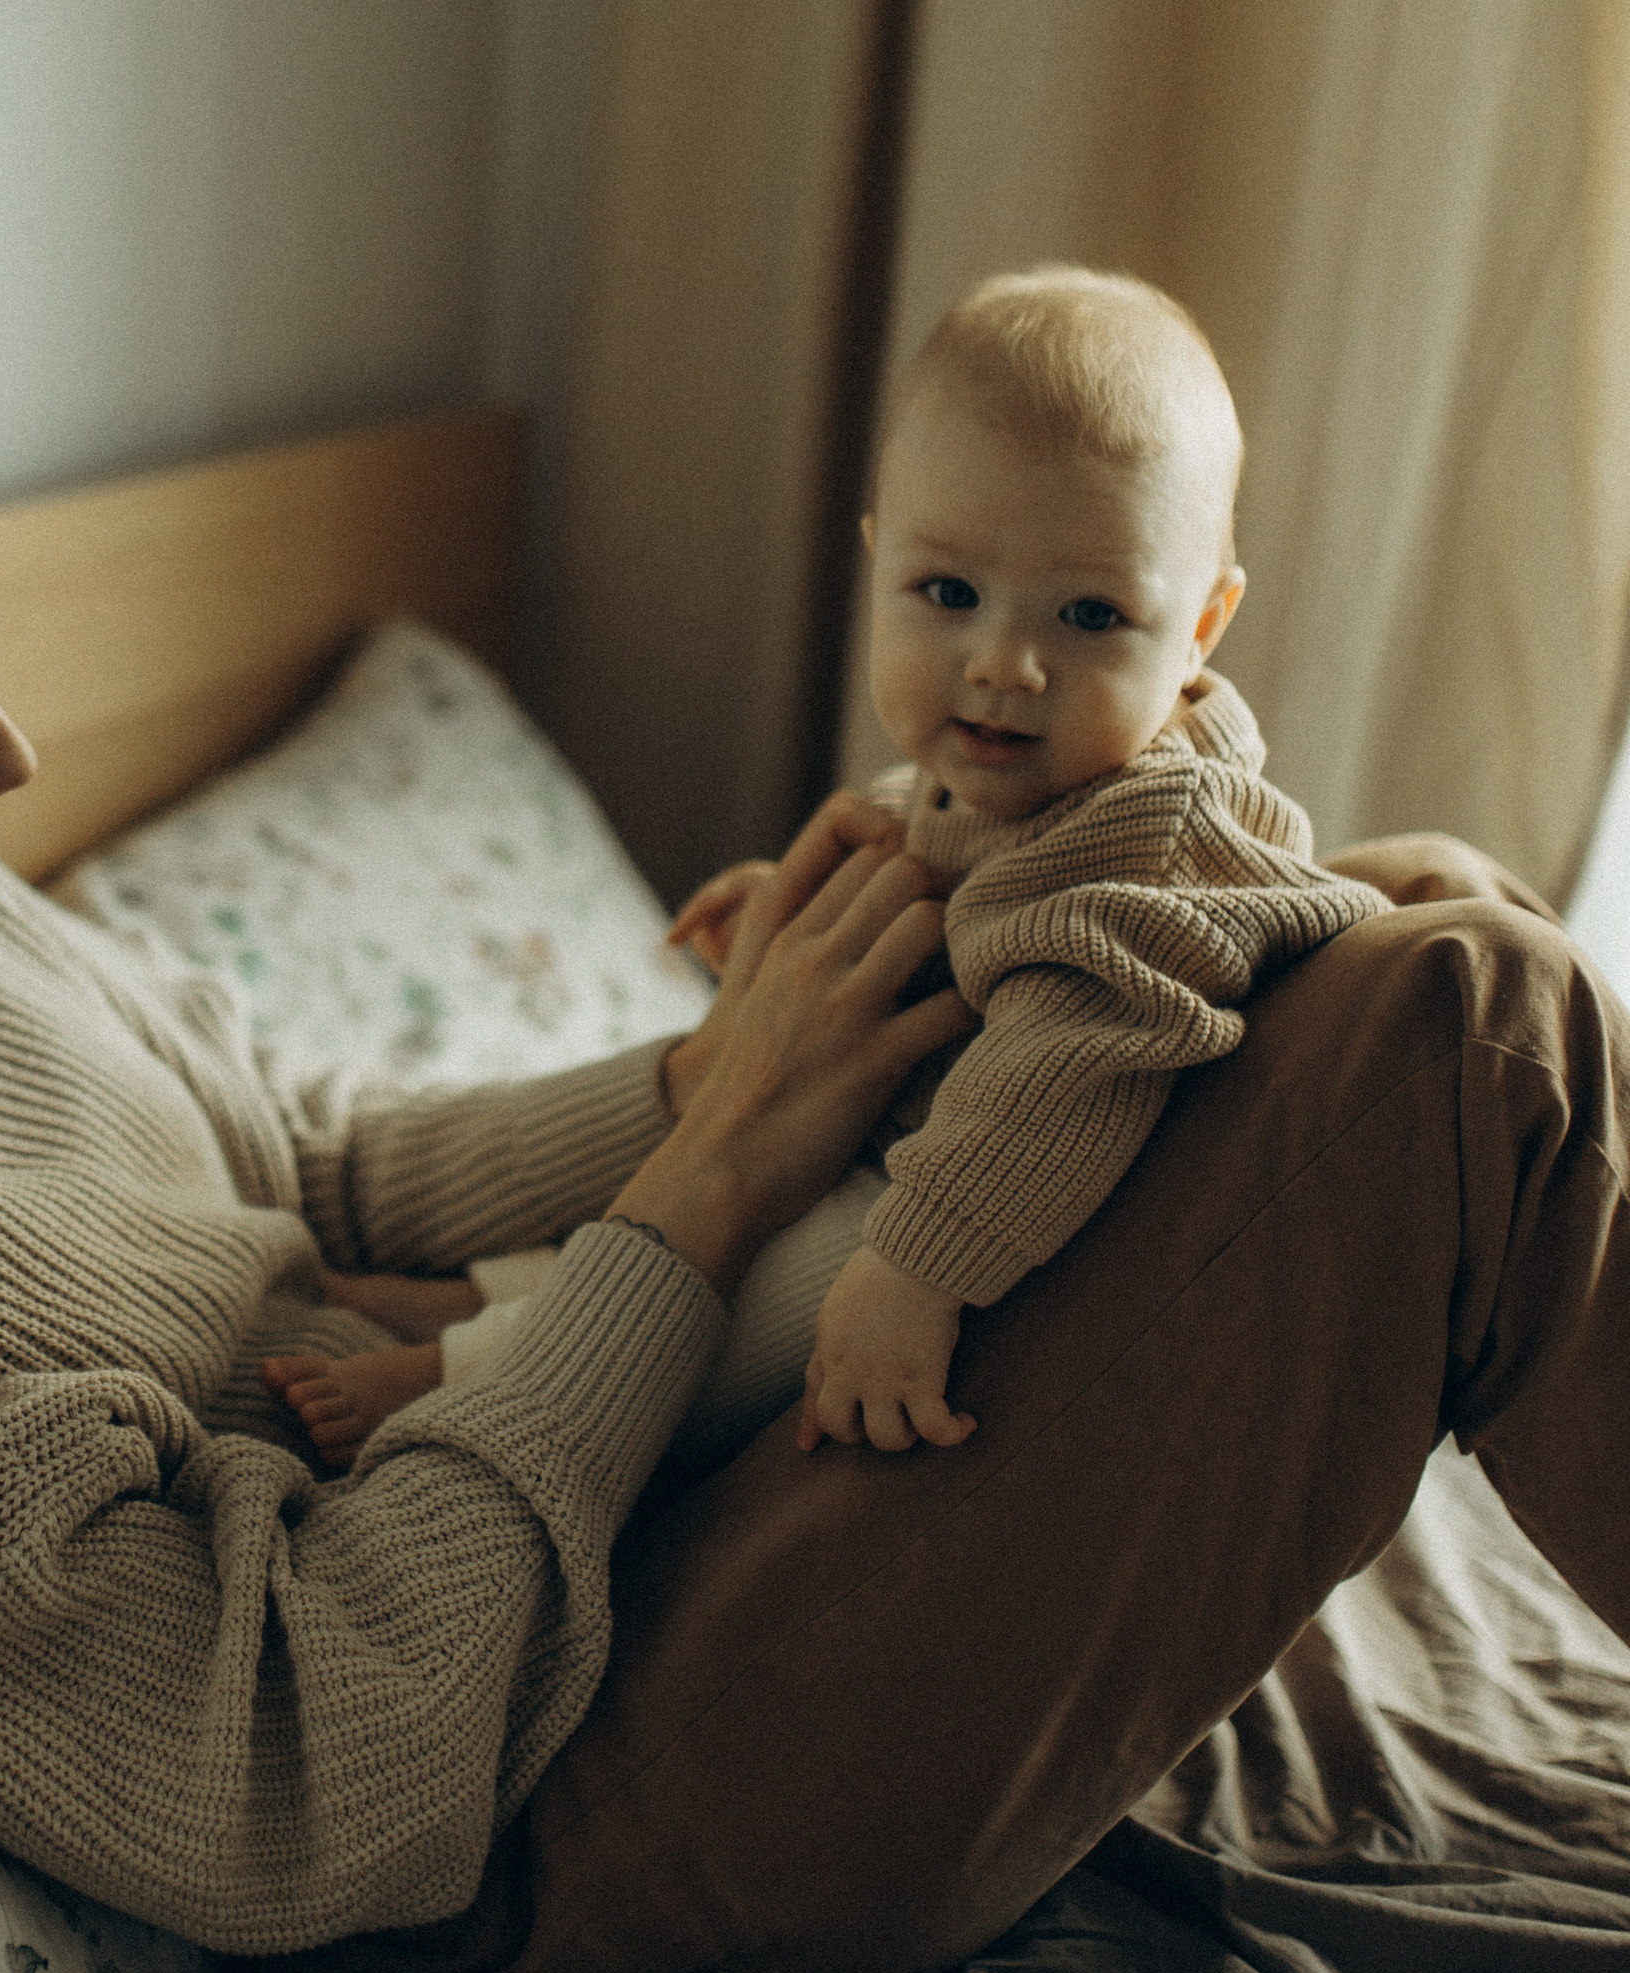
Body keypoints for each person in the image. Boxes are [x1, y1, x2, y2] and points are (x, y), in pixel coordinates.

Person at [0, 325, 1629, 1973]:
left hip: (553, 1496)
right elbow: (288, 1766)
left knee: (1391, 900)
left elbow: (305, 1169)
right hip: (526, 1777)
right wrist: (696, 1192)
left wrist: (755, 1046)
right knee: (1462, 1036)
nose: (16, 749)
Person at [265, 267, 1386, 1471]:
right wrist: (780, 900)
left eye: (1091, 617)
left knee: (810, 1273)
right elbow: (953, 866)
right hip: (932, 1128)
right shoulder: (1023, 775)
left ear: (1204, 626)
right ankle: (488, 1297)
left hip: (1049, 1196)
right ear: (878, 563)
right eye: (947, 593)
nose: (1004, 664)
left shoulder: (1155, 836)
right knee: (744, 1179)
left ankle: (464, 1375)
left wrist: (918, 1270)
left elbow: (1071, 1056)